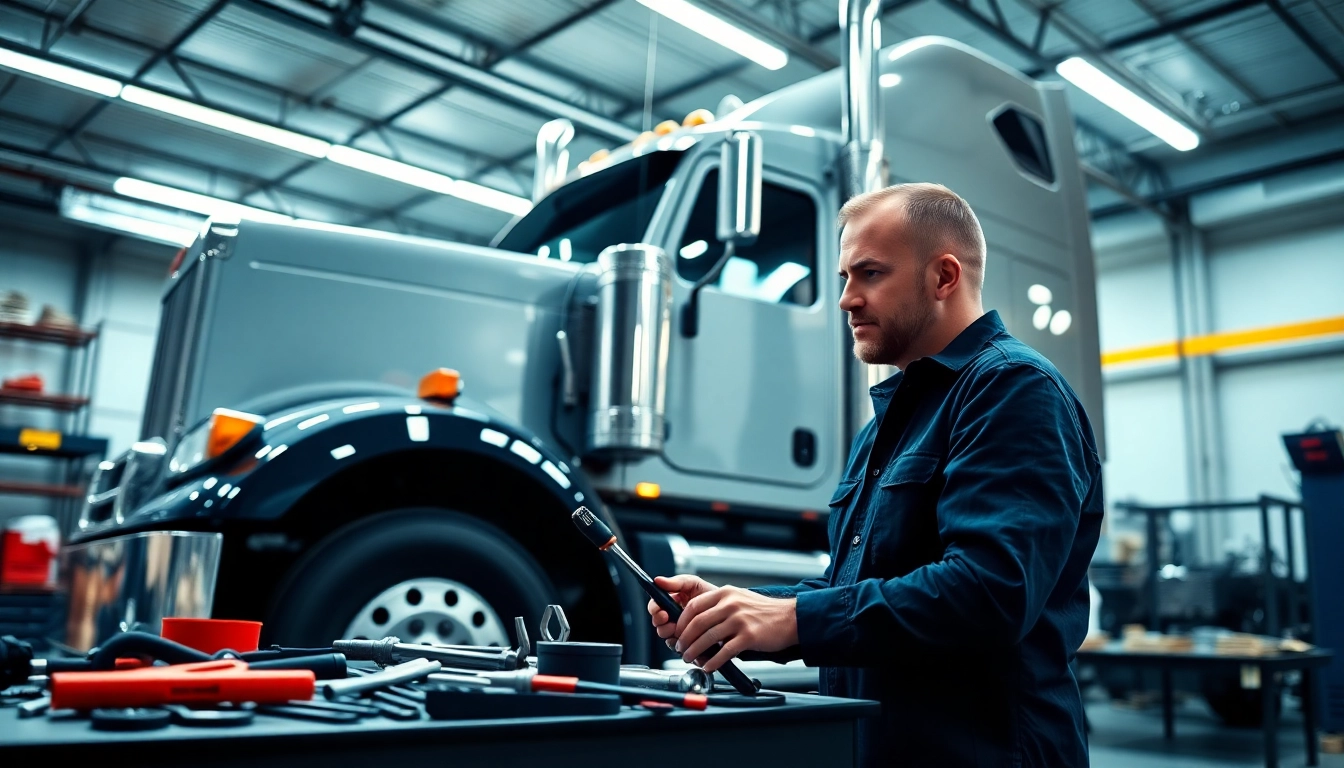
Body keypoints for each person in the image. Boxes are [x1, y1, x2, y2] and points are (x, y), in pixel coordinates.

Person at [648, 183, 1103, 767]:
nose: (846, 299)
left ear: (944, 277)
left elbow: (992, 592)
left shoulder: (1013, 390)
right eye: (844, 278)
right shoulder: (888, 424)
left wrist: (793, 619)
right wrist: (745, 609)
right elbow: (864, 588)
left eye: (869, 274)